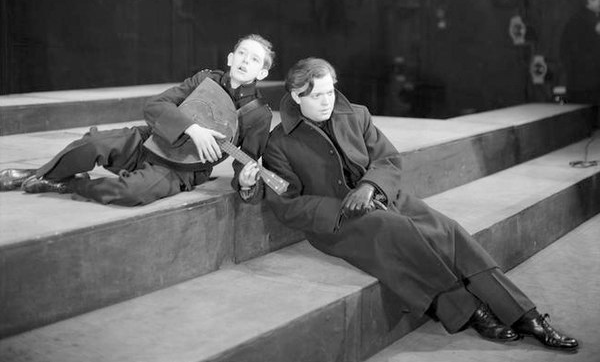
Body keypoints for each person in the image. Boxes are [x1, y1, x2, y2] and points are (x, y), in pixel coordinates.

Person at [244, 57, 578, 352]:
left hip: (384, 198)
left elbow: (387, 159)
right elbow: (286, 204)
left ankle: (526, 316)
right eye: (317, 96)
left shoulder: (355, 114)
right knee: (396, 229)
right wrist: (342, 207)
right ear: (296, 96)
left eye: (330, 92)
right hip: (338, 221)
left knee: (449, 231)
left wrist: (370, 186)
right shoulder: (279, 143)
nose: (327, 101)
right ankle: (470, 311)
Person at [0, 34, 274, 206]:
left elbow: (244, 162)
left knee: (130, 193)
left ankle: (67, 184)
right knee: (93, 143)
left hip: (182, 168)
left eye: (254, 59)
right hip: (150, 140)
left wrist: (247, 183)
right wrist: (192, 129)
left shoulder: (257, 113)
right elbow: (156, 105)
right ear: (230, 57)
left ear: (261, 73)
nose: (245, 61)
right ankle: (37, 174)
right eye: (241, 53)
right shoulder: (206, 79)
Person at [559, 0, 600, 115]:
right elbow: (576, 53)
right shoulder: (581, 23)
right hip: (587, 86)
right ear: (590, 0)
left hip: (582, 84)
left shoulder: (577, 21)